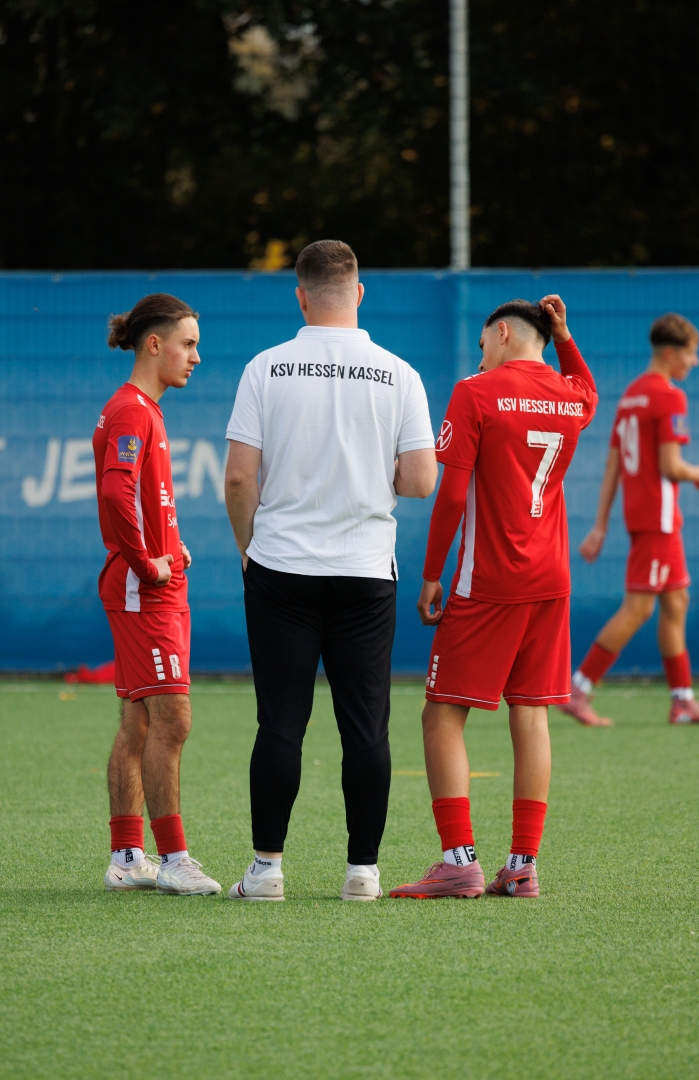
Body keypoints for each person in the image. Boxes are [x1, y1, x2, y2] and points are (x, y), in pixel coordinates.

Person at [224, 239, 437, 901]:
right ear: (359, 293)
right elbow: (421, 480)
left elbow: (239, 478)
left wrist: (249, 548)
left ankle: (266, 870)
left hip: (280, 567)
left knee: (281, 723)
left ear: (300, 296)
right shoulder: (399, 373)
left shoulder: (265, 368)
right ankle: (362, 872)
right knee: (366, 727)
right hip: (366, 570)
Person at [389, 296, 597, 900]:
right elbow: (588, 389)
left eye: (482, 344)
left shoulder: (475, 392)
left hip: (489, 579)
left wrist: (431, 573)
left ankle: (459, 861)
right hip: (551, 579)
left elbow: (452, 495)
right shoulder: (569, 396)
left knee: (441, 712)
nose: (479, 357)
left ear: (501, 333)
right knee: (530, 713)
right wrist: (565, 336)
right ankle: (523, 865)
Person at [94, 293, 221, 895]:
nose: (196, 356)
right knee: (173, 718)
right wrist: (148, 563)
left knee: (140, 723)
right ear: (154, 344)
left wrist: (170, 543)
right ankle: (173, 858)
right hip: (145, 591)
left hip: (150, 584)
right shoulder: (131, 410)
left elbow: (143, 501)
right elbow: (115, 493)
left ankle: (127, 857)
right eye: (187, 344)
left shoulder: (142, 409)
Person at [557, 313, 699, 727]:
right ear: (669, 354)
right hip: (659, 520)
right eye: (691, 354)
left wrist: (601, 524)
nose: (695, 362)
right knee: (639, 607)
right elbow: (670, 465)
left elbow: (612, 465)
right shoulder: (670, 397)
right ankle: (578, 689)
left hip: (643, 517)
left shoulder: (630, 396)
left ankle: (682, 700)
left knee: (676, 601)